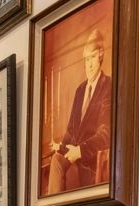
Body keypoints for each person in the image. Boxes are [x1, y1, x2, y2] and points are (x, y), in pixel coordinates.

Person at [48, 30, 113, 194]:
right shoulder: (80, 90)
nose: (89, 65)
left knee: (70, 173)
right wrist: (61, 146)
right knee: (56, 159)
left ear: (100, 55)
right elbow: (71, 130)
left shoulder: (108, 86)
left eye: (92, 58)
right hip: (72, 153)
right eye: (86, 59)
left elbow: (105, 134)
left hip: (90, 160)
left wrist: (81, 151)